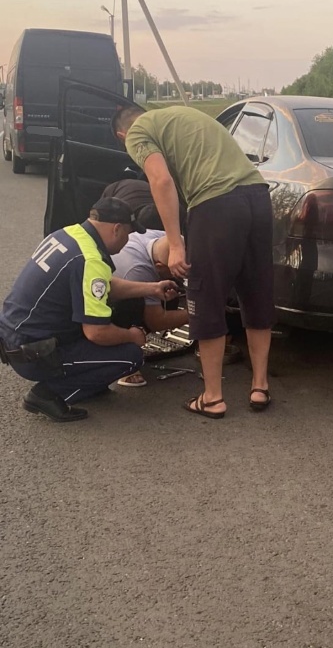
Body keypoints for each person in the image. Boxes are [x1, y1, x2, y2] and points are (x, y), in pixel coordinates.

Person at [111, 105, 275, 419]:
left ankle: (212, 397)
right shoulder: (182, 116)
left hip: (216, 205)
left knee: (205, 294)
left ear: (122, 135)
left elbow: (160, 181)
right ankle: (260, 386)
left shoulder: (138, 132)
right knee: (256, 291)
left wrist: (175, 244)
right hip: (257, 196)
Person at [0, 198, 178, 422]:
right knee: (130, 357)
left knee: (122, 315)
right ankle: (47, 395)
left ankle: (89, 381)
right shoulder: (89, 260)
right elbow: (96, 333)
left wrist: (151, 288)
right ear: (116, 229)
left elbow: (105, 285)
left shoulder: (68, 234)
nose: (128, 240)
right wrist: (133, 335)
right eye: (128, 233)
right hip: (36, 353)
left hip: (16, 337)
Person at [111, 229, 243, 387]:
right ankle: (124, 361)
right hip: (109, 307)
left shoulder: (167, 239)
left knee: (169, 288)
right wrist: (198, 312)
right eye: (177, 271)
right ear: (159, 266)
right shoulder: (138, 271)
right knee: (136, 305)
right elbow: (156, 321)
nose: (183, 275)